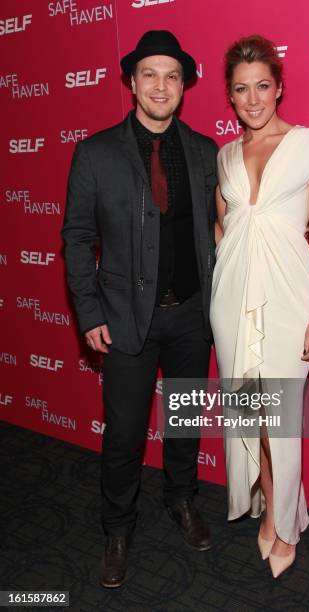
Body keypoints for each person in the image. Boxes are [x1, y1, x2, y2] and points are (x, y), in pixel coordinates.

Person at [61, 30, 218, 588]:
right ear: (131, 83)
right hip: (125, 318)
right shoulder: (96, 152)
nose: (160, 85)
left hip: (191, 318)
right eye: (149, 73)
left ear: (183, 86)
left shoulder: (205, 152)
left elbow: (218, 232)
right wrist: (89, 310)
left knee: (182, 420)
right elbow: (77, 236)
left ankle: (181, 500)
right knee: (125, 433)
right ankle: (118, 528)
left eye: (171, 75)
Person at [210, 35, 309, 578]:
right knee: (250, 412)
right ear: (231, 97)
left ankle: (282, 527)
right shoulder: (224, 155)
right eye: (242, 90)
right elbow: (223, 224)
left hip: (289, 299)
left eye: (263, 86)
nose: (254, 99)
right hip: (233, 295)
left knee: (279, 417)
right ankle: (273, 497)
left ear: (279, 87)